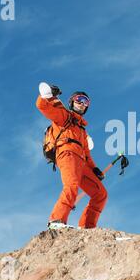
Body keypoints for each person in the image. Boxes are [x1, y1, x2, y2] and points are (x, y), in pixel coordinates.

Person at [36, 82, 107, 230]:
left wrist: (95, 169)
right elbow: (43, 106)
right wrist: (47, 96)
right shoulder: (64, 117)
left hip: (81, 163)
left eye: (86, 102)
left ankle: (87, 227)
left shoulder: (82, 130)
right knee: (71, 187)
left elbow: (87, 154)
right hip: (67, 155)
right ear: (72, 102)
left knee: (100, 194)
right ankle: (56, 220)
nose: (82, 104)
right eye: (79, 99)